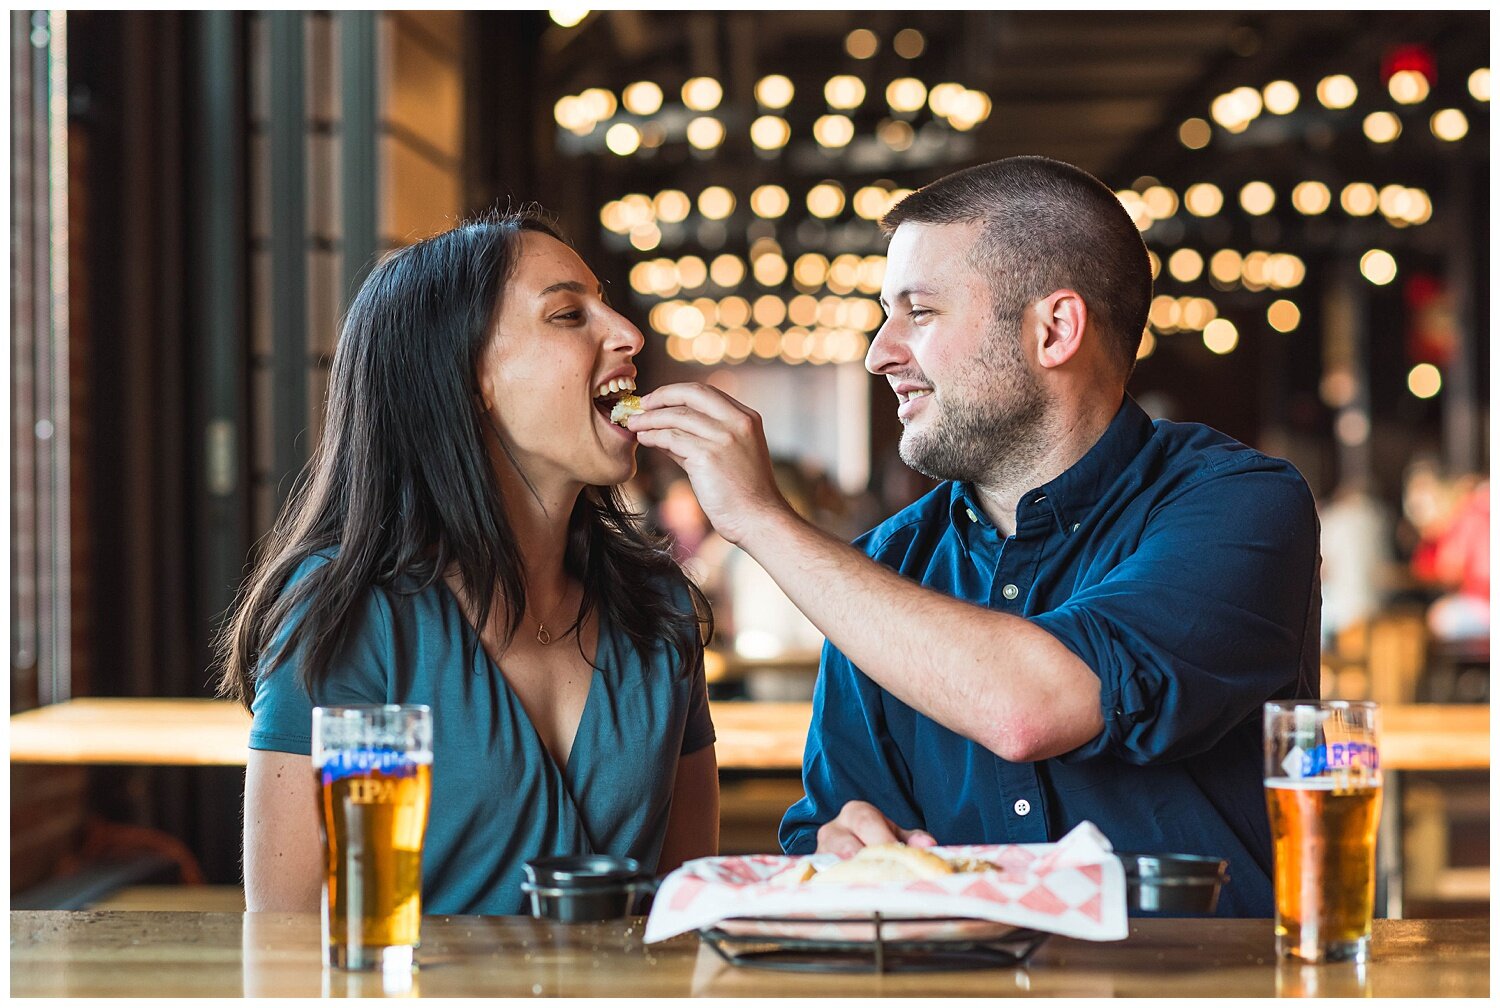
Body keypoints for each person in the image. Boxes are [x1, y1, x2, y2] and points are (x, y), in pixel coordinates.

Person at [626, 156, 1320, 916]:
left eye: (918, 313)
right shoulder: (886, 568)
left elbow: (1035, 708)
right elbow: (836, 836)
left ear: (1054, 330)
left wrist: (761, 518)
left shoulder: (1239, 504)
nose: (879, 352)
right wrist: (845, 848)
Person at [217, 208, 719, 915]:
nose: (630, 334)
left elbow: (683, 919)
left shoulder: (661, 608)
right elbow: (287, 946)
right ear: (468, 375)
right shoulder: (350, 613)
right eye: (569, 315)